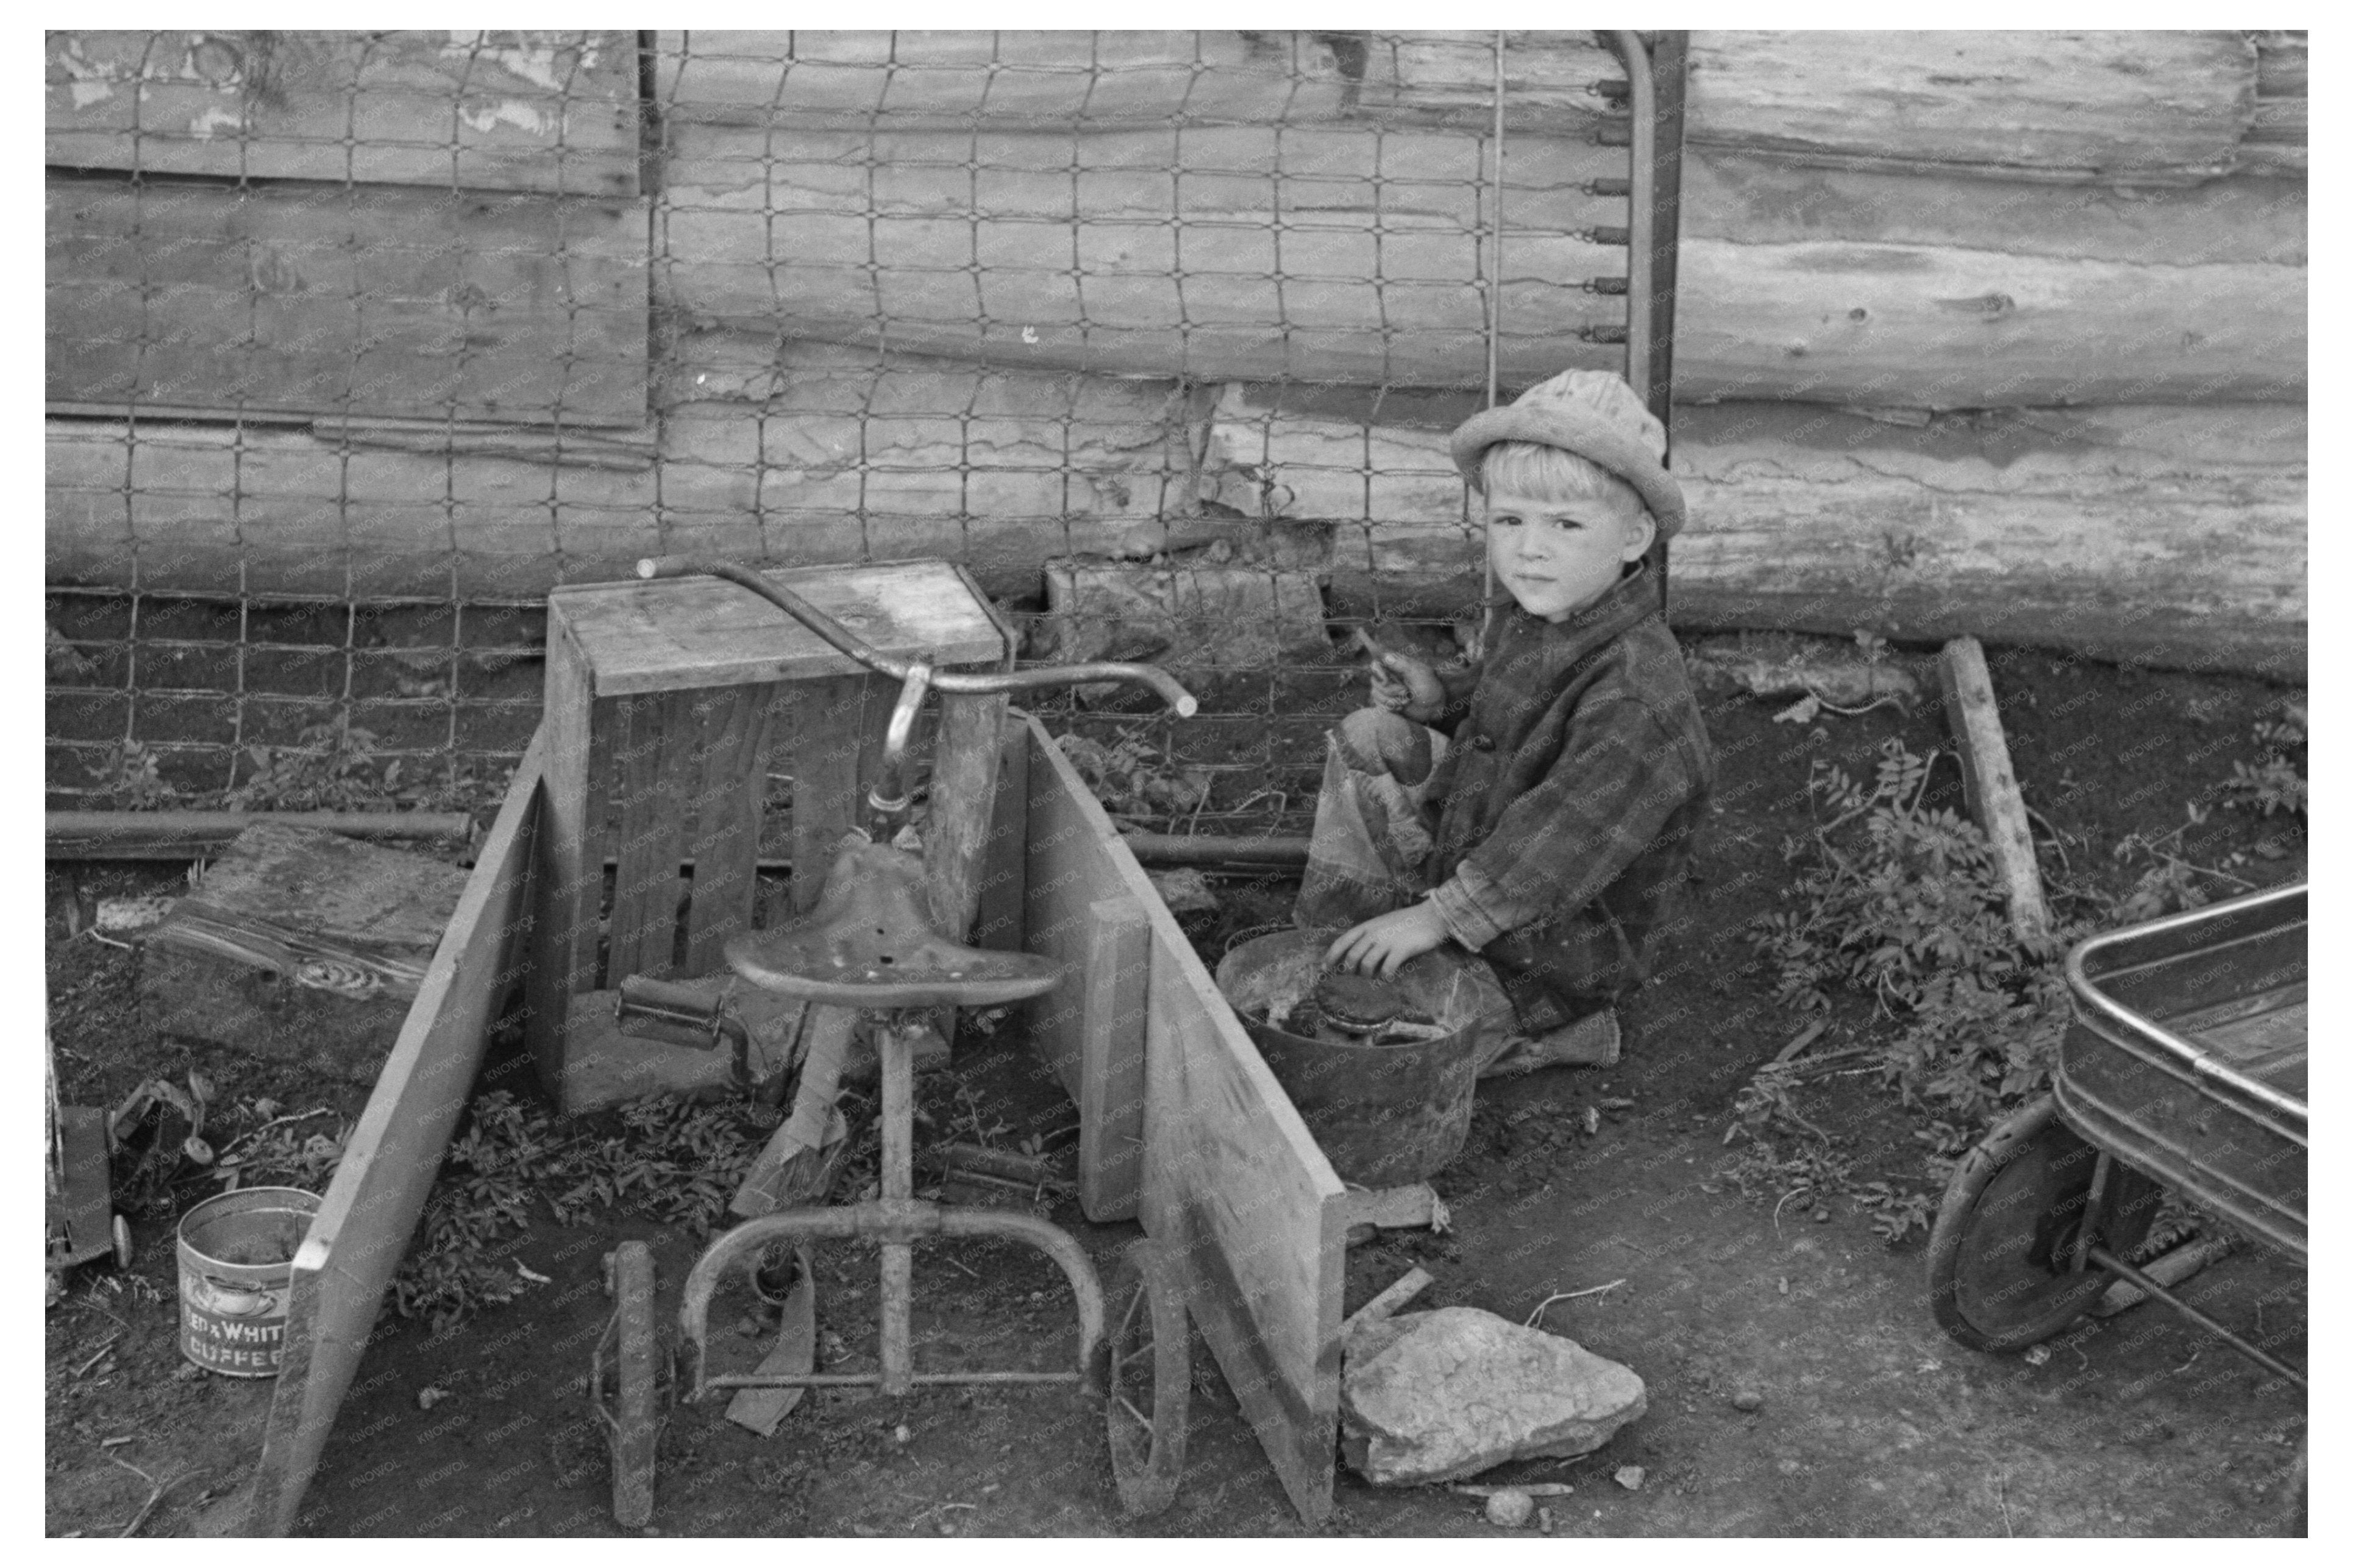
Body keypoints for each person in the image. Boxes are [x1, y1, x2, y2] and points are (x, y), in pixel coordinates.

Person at [1295, 368, 1714, 1074]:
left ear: (1635, 535)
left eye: (1566, 524)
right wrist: (1441, 699)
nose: (1529, 548)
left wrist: (1436, 918)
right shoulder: (1545, 614)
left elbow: (1561, 841)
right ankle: (1343, 942)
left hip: (1554, 936)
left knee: (1400, 1051)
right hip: (1482, 852)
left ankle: (1556, 1029)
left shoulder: (1635, 701)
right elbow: (1506, 708)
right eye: (1509, 520)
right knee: (1373, 736)